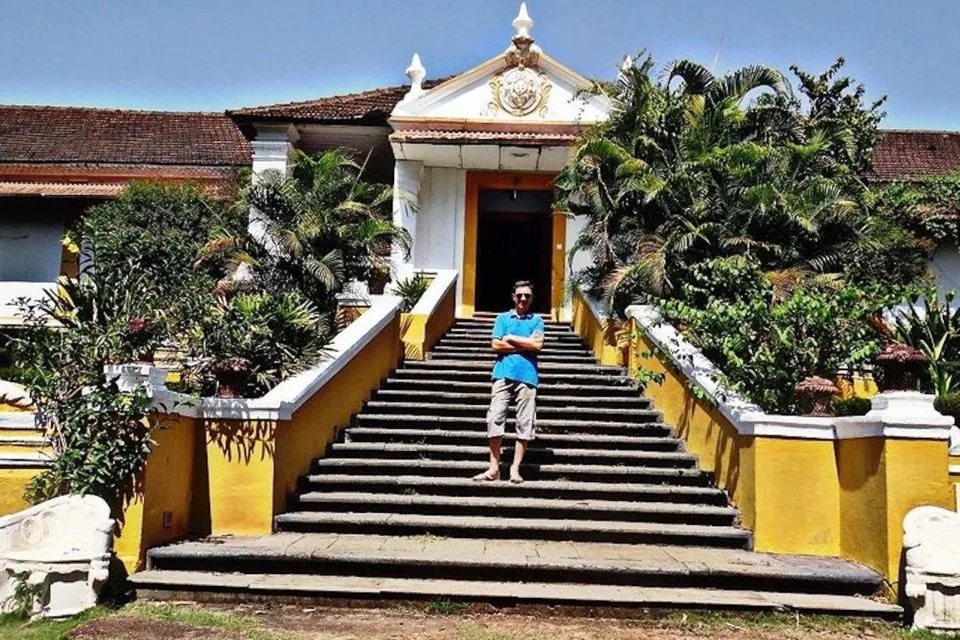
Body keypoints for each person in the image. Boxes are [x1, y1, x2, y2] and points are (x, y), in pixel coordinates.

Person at [473, 280, 544, 484]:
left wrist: (511, 337)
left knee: (525, 422)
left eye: (527, 295)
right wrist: (525, 345)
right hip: (502, 374)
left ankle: (515, 468)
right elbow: (495, 345)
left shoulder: (537, 320)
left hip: (528, 376)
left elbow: (537, 345)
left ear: (532, 298)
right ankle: (494, 467)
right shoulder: (502, 318)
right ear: (513, 297)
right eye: (519, 295)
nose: (523, 298)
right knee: (494, 417)